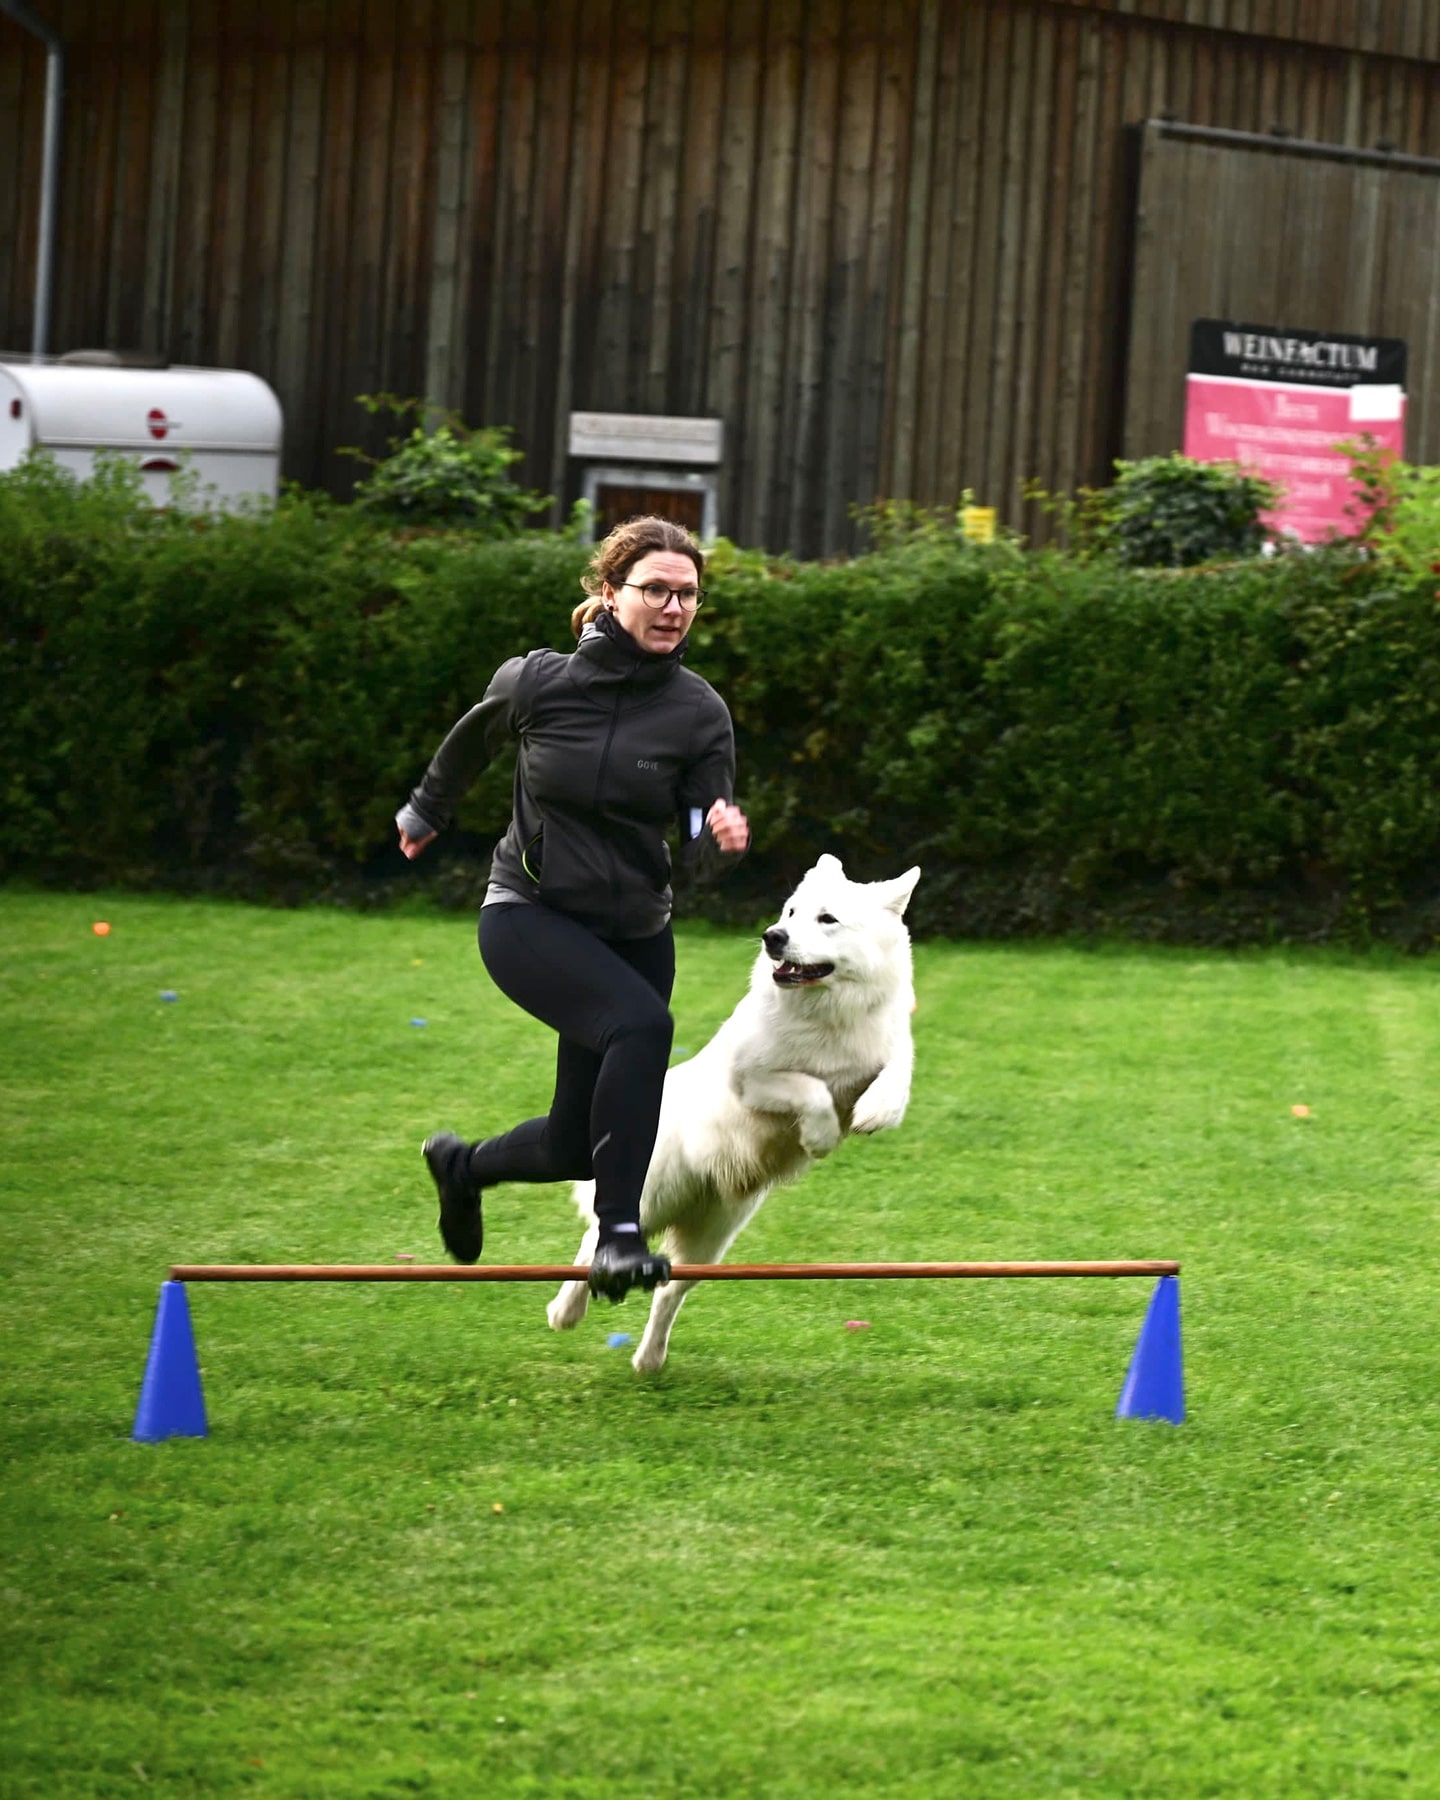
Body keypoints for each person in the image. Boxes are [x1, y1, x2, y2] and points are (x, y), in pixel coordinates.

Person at [395, 515, 750, 1301]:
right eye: (656, 589)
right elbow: (468, 744)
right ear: (609, 592)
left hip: (636, 933)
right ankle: (619, 1238)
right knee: (643, 1027)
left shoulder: (698, 712)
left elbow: (696, 831)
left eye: (688, 594)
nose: (674, 607)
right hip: (530, 913)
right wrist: (426, 811)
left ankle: (463, 1166)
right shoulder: (537, 681)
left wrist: (717, 839)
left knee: (576, 1143)